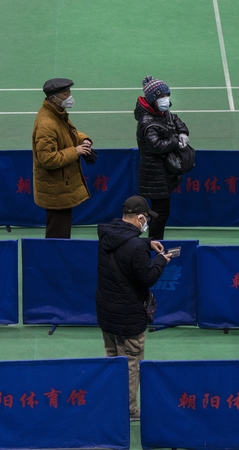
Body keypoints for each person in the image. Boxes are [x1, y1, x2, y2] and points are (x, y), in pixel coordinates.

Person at [95, 195, 172, 420]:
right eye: (146, 218)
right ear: (139, 217)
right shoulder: (136, 246)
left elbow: (124, 245)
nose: (146, 222)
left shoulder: (107, 235)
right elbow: (147, 278)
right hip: (128, 317)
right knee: (130, 364)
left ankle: (112, 400)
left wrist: (147, 242)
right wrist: (161, 261)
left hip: (106, 312)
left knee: (111, 356)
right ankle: (129, 410)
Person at [32, 78, 94, 238]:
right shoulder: (47, 124)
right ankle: (52, 263)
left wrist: (83, 139)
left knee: (61, 231)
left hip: (61, 189)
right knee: (57, 235)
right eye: (65, 93)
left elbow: (68, 134)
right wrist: (76, 151)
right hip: (56, 191)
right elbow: (48, 159)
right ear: (53, 97)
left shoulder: (57, 114)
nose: (69, 96)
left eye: (69, 92)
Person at [135, 76, 190, 240]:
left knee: (160, 212)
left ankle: (154, 243)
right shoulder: (146, 121)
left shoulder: (162, 112)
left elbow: (176, 120)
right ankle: (154, 245)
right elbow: (156, 146)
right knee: (160, 213)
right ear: (152, 100)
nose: (165, 99)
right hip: (154, 175)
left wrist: (182, 132)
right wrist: (176, 141)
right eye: (161, 97)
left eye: (166, 95)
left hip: (162, 174)